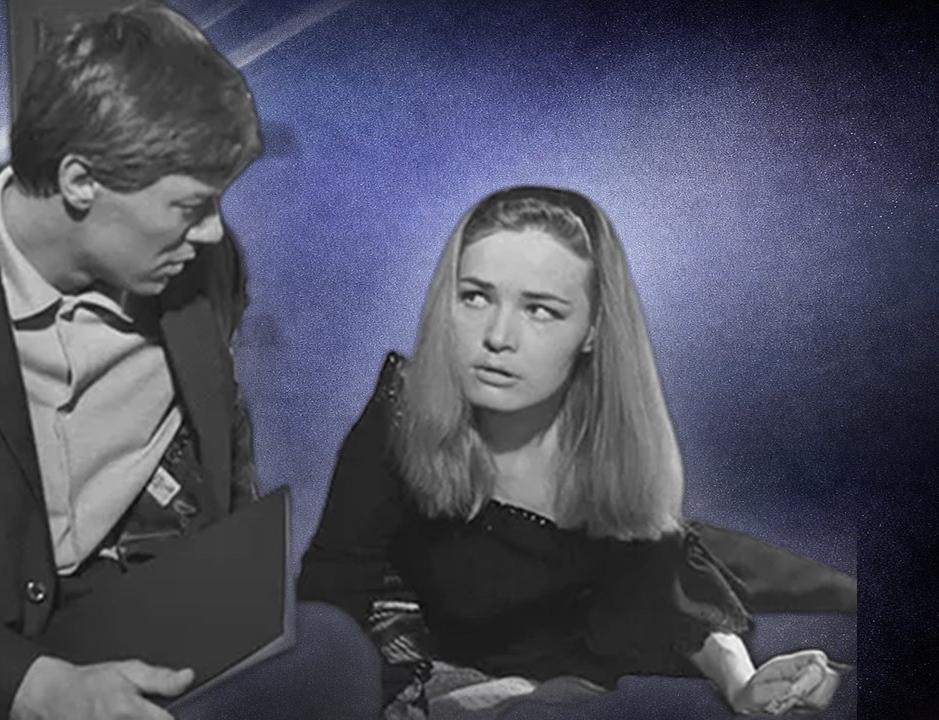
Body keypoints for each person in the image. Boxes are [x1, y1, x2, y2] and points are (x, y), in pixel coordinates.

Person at [0, 4, 380, 720]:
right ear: (80, 181)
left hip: (128, 616)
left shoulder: (204, 271)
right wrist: (40, 687)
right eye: (190, 206)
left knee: (333, 653)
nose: (214, 233)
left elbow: (221, 448)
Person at [297, 186, 856, 719]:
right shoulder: (405, 409)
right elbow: (335, 584)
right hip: (425, 636)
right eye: (475, 296)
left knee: (833, 591)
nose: (497, 336)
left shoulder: (610, 452)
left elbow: (670, 592)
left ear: (592, 330)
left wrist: (741, 683)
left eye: (539, 310)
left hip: (577, 637)